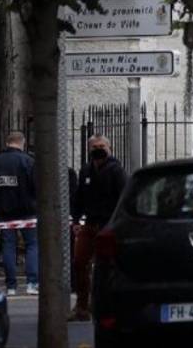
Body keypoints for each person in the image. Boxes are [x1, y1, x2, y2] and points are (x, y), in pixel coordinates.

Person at [70, 134, 127, 321]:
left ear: (109, 148)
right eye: (94, 146)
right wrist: (76, 220)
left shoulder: (116, 170)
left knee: (107, 266)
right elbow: (78, 197)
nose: (98, 149)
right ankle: (81, 306)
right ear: (89, 149)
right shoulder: (86, 170)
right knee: (79, 262)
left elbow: (123, 198)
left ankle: (104, 304)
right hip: (90, 223)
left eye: (102, 146)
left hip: (108, 224)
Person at [0, 131, 38, 296]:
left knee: (8, 246)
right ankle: (32, 283)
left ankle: (11, 286)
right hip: (27, 210)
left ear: (7, 143)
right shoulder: (28, 161)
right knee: (32, 245)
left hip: (4, 211)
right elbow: (36, 186)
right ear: (22, 143)